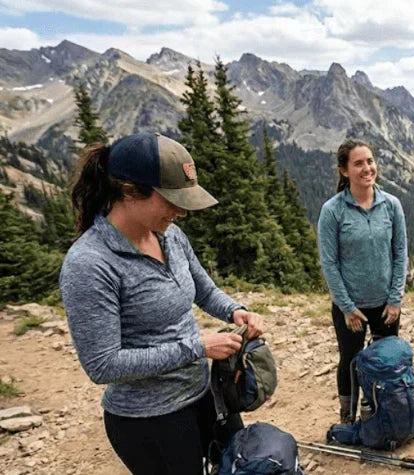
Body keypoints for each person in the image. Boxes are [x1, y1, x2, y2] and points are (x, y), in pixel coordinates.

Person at [60, 132, 265, 475]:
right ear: (129, 191)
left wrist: (234, 309)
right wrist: (197, 347)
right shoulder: (89, 264)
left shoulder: (169, 234)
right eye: (171, 200)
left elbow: (203, 289)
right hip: (150, 421)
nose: (182, 211)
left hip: (204, 396)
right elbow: (103, 365)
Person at [318, 139, 408, 423]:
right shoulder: (332, 210)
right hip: (351, 307)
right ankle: (348, 416)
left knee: (388, 361)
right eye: (358, 163)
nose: (367, 168)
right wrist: (345, 306)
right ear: (344, 171)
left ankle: (387, 413)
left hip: (385, 304)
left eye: (370, 161)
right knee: (349, 361)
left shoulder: (391, 205)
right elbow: (329, 263)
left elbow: (400, 253)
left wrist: (395, 299)